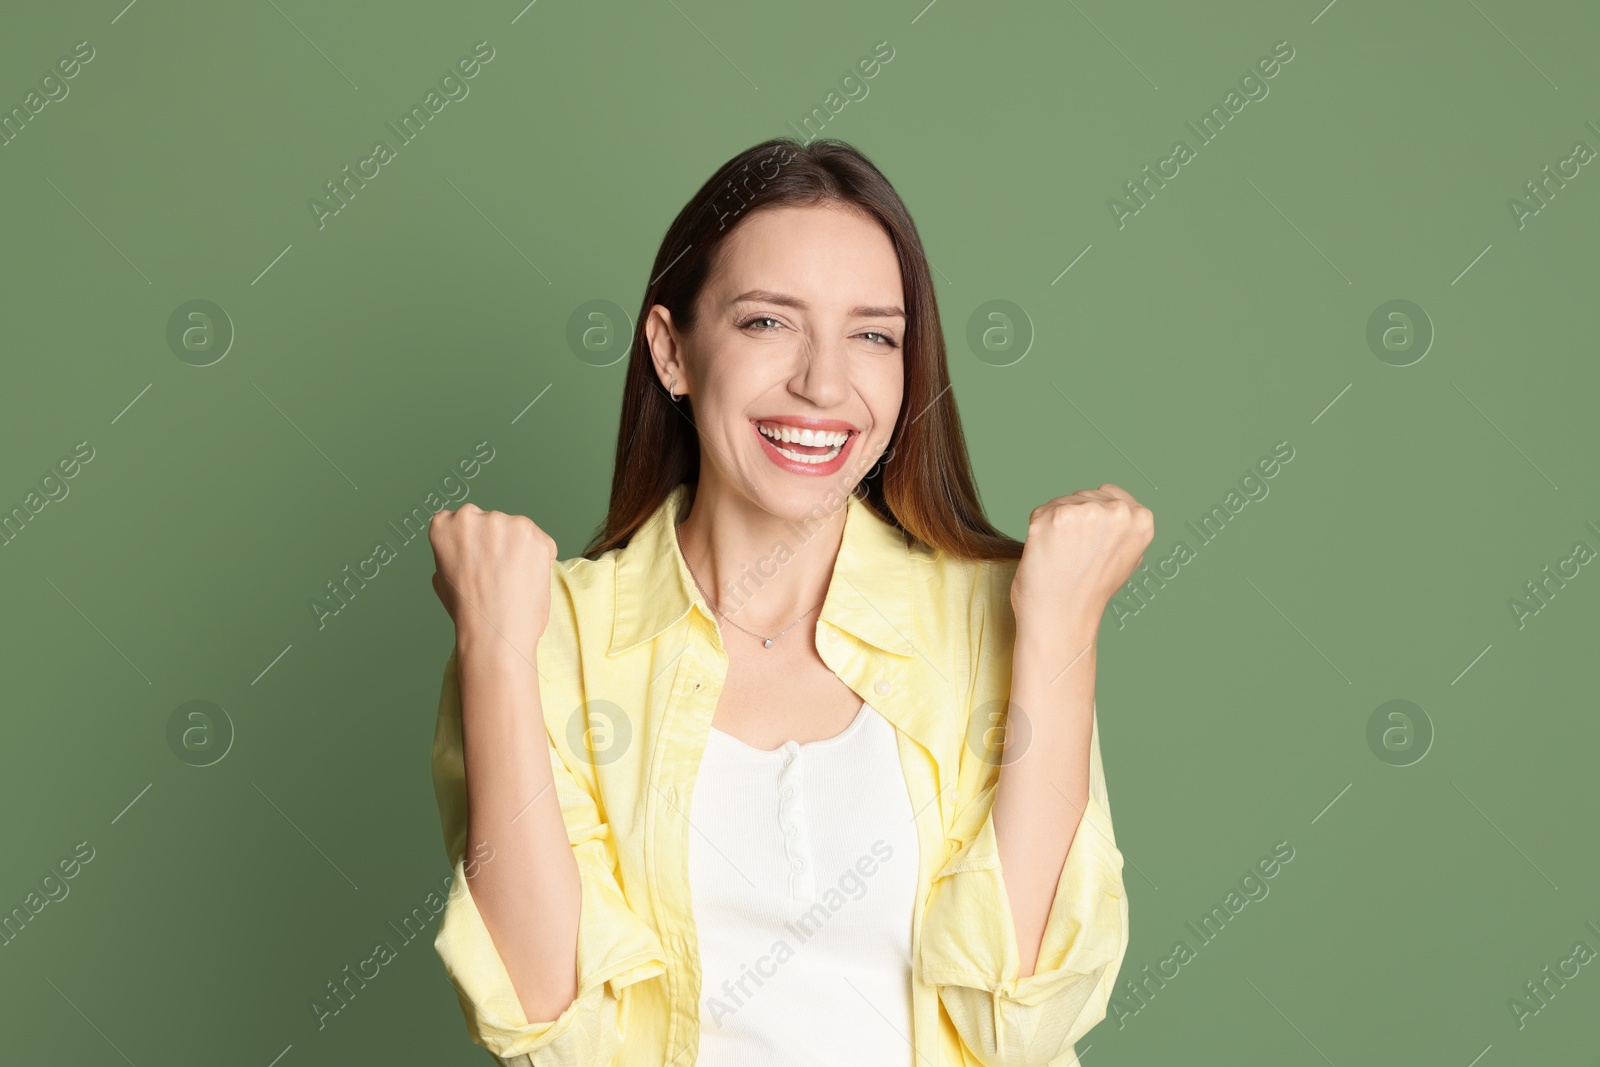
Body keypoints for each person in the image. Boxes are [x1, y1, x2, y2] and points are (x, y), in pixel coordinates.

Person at [426, 136, 1152, 1066]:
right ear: (671, 351)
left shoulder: (1002, 617)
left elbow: (1019, 1020)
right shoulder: (545, 631)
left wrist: (1059, 632)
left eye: (874, 334)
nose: (823, 383)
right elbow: (550, 1026)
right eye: (770, 322)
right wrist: (494, 645)